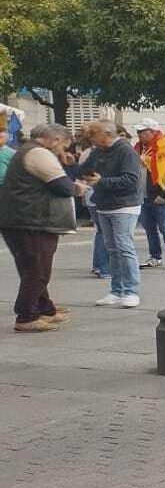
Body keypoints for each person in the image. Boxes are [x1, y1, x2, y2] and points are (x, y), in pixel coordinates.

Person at [0, 123, 85, 332]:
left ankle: (44, 308)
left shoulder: (27, 150)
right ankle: (26, 316)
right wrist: (78, 188)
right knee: (37, 269)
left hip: (21, 219)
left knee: (32, 267)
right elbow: (62, 186)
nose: (62, 150)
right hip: (32, 221)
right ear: (54, 140)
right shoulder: (39, 153)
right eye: (63, 146)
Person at [81, 119, 146, 308]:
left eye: (94, 134)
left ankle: (131, 291)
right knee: (112, 249)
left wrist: (102, 181)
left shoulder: (125, 151)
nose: (91, 138)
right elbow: (87, 170)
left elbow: (131, 179)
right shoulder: (98, 151)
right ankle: (117, 290)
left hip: (124, 205)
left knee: (124, 247)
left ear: (106, 134)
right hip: (104, 205)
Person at [133, 119, 165, 268]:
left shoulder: (164, 148)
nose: (139, 134)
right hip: (143, 195)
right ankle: (155, 256)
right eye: (138, 131)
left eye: (142, 131)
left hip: (159, 195)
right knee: (149, 229)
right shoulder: (138, 148)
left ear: (153, 131)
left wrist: (164, 194)